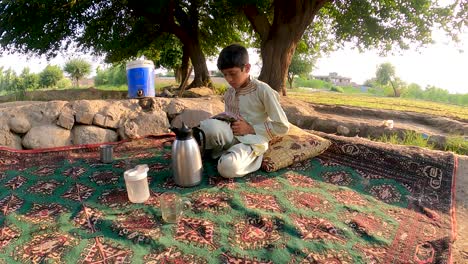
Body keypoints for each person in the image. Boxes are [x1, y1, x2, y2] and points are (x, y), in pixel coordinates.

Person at [199, 44, 290, 178]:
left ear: (247, 68)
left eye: (233, 74)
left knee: (227, 168)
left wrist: (250, 128)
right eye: (225, 75)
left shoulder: (263, 90)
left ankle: (232, 156)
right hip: (231, 135)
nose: (229, 79)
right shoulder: (229, 93)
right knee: (206, 127)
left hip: (252, 140)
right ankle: (224, 152)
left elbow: (282, 126)